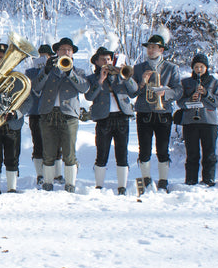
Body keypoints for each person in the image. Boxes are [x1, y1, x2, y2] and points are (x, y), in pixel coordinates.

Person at [32, 37, 89, 192]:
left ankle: (70, 183)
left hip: (69, 115)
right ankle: (48, 181)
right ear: (56, 52)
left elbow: (84, 88)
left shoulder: (79, 71)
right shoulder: (48, 70)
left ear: (72, 54)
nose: (65, 52)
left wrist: (70, 73)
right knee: (48, 151)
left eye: (68, 50)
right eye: (62, 49)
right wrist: (46, 70)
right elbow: (36, 87)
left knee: (69, 152)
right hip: (48, 113)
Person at [131, 30, 182, 193]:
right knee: (144, 149)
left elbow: (179, 90)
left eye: (155, 47)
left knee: (162, 149)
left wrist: (165, 93)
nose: (151, 50)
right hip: (144, 112)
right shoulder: (138, 68)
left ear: (162, 50)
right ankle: (145, 179)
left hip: (163, 113)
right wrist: (142, 83)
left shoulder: (171, 68)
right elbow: (132, 93)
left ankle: (163, 181)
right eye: (149, 47)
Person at [84, 47, 138, 195]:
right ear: (96, 61)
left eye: (108, 59)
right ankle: (99, 185)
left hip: (121, 117)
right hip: (103, 118)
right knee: (102, 152)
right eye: (103, 59)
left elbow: (134, 91)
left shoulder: (121, 75)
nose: (106, 62)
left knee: (122, 152)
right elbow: (89, 97)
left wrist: (125, 76)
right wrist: (100, 80)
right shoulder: (92, 78)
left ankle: (122, 186)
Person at [177, 53, 218, 187]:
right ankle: (191, 180)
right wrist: (190, 99)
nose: (198, 69)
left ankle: (208, 179)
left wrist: (206, 94)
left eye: (201, 67)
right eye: (196, 67)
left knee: (209, 153)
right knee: (192, 153)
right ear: (192, 68)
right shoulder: (186, 82)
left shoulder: (213, 82)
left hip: (209, 122)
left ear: (206, 67)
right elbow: (180, 102)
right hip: (190, 122)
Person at [24, 44, 65, 186]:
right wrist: (42, 71)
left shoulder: (55, 70)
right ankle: (40, 174)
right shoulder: (30, 72)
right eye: (40, 56)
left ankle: (57, 174)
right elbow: (34, 89)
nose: (42, 58)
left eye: (46, 56)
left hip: (50, 111)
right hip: (35, 111)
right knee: (38, 144)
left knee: (56, 144)